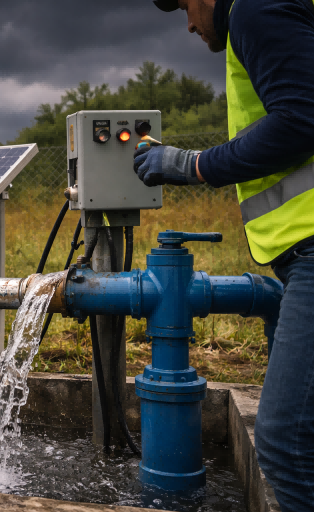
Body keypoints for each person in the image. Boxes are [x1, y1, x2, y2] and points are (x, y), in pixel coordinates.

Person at [135, 0, 314, 510]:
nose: (189, 23)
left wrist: (192, 164)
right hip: (298, 258)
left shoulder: (256, 8)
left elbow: (301, 119)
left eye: (186, 6)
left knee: (285, 442)